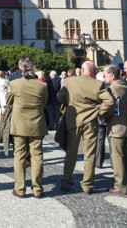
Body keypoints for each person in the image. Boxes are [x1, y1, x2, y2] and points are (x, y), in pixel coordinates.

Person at [57, 61, 114, 193]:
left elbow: (60, 97)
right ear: (94, 72)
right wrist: (99, 111)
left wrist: (68, 105)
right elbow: (109, 101)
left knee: (71, 152)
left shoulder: (70, 82)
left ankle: (66, 181)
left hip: (73, 120)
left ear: (82, 70)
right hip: (90, 121)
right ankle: (87, 184)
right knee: (90, 153)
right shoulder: (98, 84)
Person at [7, 57, 48, 198]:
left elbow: (8, 101)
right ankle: (37, 189)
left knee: (19, 155)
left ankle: (20, 188)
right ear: (33, 68)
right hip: (36, 123)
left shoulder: (14, 84)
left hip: (19, 124)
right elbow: (44, 102)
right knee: (37, 155)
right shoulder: (42, 85)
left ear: (20, 67)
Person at [103, 64, 127, 195]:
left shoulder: (112, 89)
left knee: (117, 157)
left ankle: (121, 185)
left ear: (112, 76)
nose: (104, 77)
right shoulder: (125, 86)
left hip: (116, 127)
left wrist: (102, 116)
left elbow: (107, 106)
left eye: (105, 74)